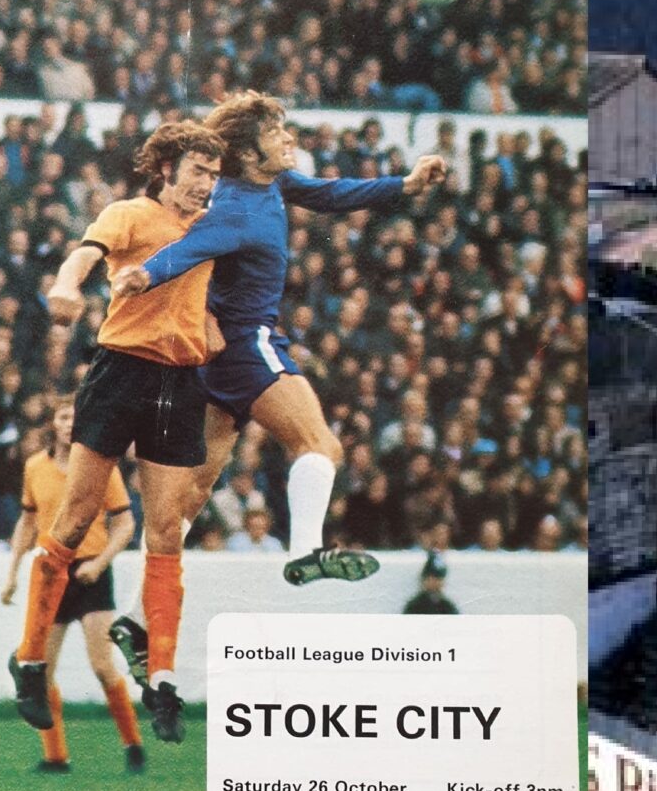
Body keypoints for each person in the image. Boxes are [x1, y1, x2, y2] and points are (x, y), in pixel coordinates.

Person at [112, 91, 446, 588]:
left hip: (220, 354)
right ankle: (307, 551)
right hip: (249, 346)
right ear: (248, 153)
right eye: (274, 133)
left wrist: (406, 184)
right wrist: (145, 275)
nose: (288, 138)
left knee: (195, 490)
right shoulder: (236, 211)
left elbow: (331, 194)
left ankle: (141, 614)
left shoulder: (273, 181)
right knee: (320, 445)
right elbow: (188, 249)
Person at [15, 122, 227, 745]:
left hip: (179, 382)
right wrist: (65, 284)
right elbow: (84, 253)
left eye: (213, 176)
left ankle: (161, 680)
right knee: (77, 519)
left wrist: (209, 327)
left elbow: (205, 293)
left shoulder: (211, 231)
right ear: (167, 169)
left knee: (167, 530)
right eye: (196, 172)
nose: (205, 186)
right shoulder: (130, 214)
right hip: (121, 370)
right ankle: (30, 659)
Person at [2, 401, 144, 774]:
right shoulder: (35, 466)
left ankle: (132, 743)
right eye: (64, 417)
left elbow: (126, 523)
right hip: (51, 569)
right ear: (53, 423)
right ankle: (55, 756)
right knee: (42, 670)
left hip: (90, 570)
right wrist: (13, 571)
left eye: (76, 418)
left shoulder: (100, 465)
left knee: (102, 665)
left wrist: (101, 562)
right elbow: (27, 520)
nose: (69, 424)